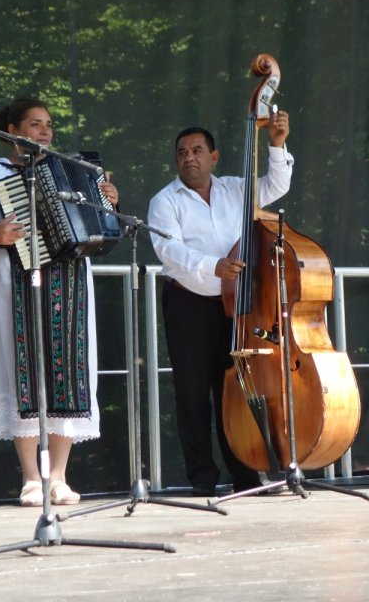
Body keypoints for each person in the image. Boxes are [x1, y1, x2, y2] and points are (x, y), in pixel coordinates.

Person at [0, 98, 118, 506]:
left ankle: (58, 476)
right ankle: (31, 477)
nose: (44, 132)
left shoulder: (76, 171)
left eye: (48, 125)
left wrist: (109, 200)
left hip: (71, 277)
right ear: (11, 129)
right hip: (15, 277)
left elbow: (102, 228)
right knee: (20, 369)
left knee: (69, 368)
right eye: (34, 124)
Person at [146, 113, 292, 496]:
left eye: (197, 150)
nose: (188, 157)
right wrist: (215, 266)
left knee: (238, 391)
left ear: (214, 156)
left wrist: (276, 144)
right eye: (181, 153)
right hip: (189, 304)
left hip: (238, 305)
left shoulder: (235, 188)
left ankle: (247, 474)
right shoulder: (164, 201)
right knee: (193, 395)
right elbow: (169, 250)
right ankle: (203, 479)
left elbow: (276, 184)